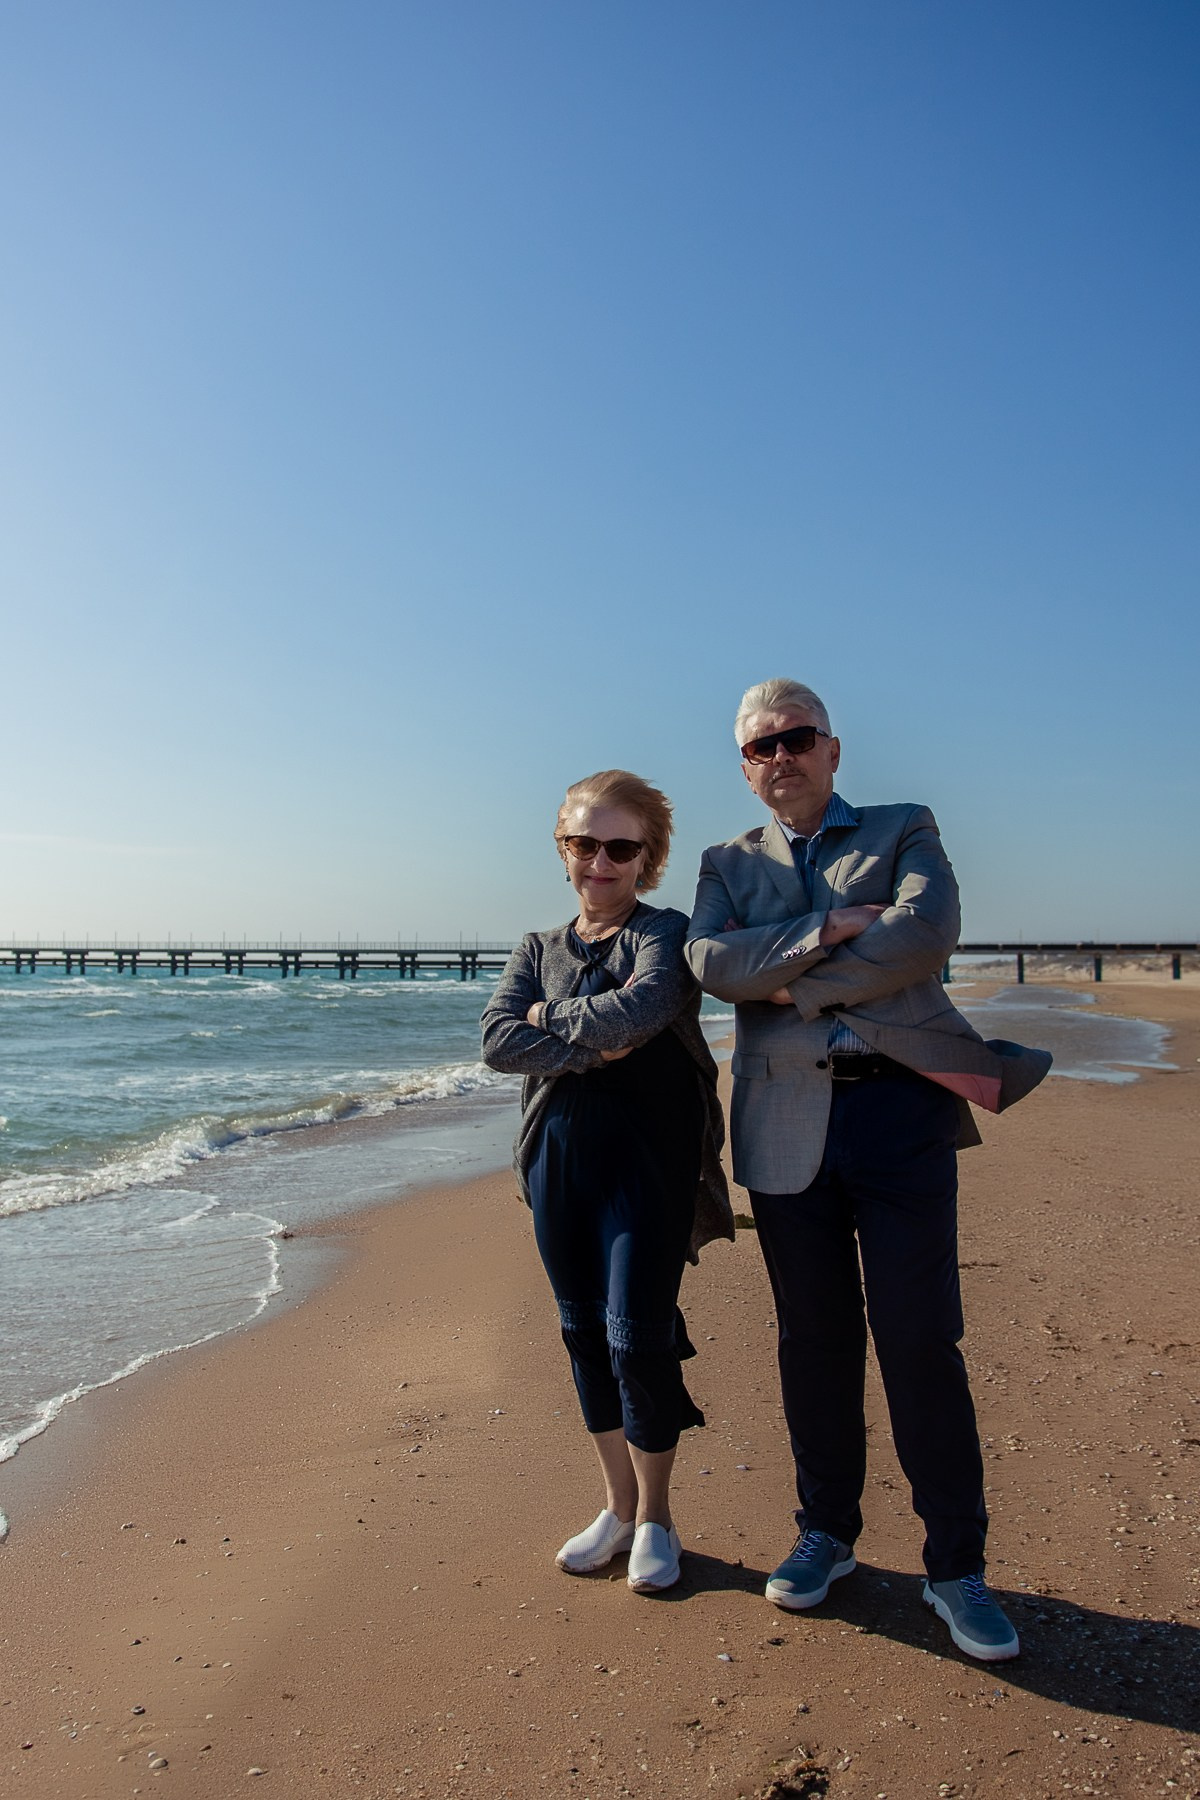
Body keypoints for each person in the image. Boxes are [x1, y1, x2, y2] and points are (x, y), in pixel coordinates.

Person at [685, 679, 1051, 1662]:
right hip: (784, 1128)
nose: (781, 757)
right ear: (746, 766)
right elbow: (713, 967)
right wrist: (830, 931)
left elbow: (927, 931)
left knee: (921, 1339)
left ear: (834, 749)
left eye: (797, 738)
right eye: (762, 746)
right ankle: (826, 1535)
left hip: (898, 1114)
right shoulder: (724, 863)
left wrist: (790, 981)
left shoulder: (901, 827)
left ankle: (956, 1568)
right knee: (813, 1342)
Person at [481, 769, 734, 1594]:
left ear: (647, 857)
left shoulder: (665, 933)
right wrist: (594, 1037)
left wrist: (545, 1022)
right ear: (562, 849)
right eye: (584, 843)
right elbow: (495, 1041)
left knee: (637, 1335)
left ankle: (659, 1515)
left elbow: (646, 1007)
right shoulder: (536, 949)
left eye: (620, 846)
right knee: (583, 1332)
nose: (601, 861)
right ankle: (617, 1508)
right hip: (557, 1162)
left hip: (649, 1166)